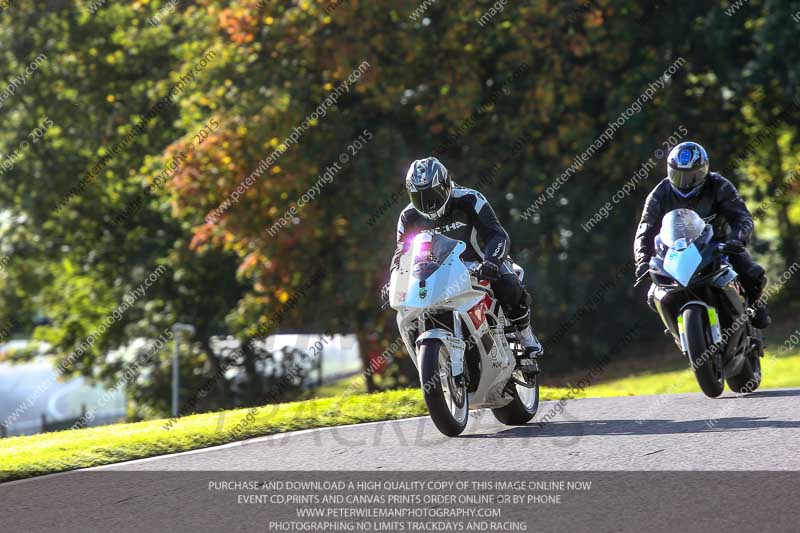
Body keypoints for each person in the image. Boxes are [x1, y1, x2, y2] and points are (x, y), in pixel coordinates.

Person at [390, 156, 543, 366]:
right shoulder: (408, 216)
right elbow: (401, 253)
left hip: (480, 264)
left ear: (445, 184)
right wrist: (394, 280)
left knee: (508, 283)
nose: (428, 204)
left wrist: (492, 261)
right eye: (419, 197)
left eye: (432, 194)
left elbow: (497, 235)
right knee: (408, 308)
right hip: (436, 274)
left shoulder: (470, 199)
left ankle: (526, 335)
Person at [633, 141, 770, 328]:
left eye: (691, 176)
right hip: (676, 253)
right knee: (652, 295)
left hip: (718, 246)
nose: (684, 183)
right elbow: (644, 230)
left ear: (704, 171)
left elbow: (743, 217)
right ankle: (677, 332)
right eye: (677, 175)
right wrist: (642, 260)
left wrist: (737, 239)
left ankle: (755, 305)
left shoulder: (719, 185)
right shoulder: (659, 193)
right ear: (668, 171)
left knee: (753, 274)